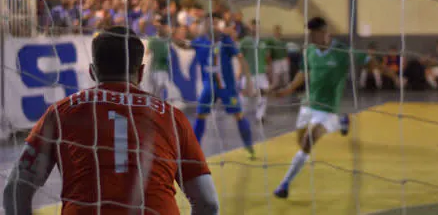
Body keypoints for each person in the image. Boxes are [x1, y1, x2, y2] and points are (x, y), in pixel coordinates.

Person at [3, 26, 219, 215]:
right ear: (141, 72)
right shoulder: (171, 116)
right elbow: (208, 203)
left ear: (92, 71)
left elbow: (13, 190)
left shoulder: (61, 112)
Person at [271, 17, 350, 198]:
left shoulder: (341, 51)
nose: (311, 37)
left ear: (324, 32)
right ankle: (340, 122)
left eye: (314, 33)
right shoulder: (309, 51)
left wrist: (393, 76)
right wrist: (287, 90)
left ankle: (284, 185)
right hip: (308, 104)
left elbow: (366, 58)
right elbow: (302, 73)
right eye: (310, 33)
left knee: (308, 141)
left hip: (327, 106)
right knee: (301, 143)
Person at [179, 14, 255, 159]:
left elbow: (241, 59)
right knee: (200, 115)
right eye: (209, 23)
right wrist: (171, 37)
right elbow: (184, 45)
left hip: (227, 88)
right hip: (209, 87)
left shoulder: (226, 41)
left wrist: (248, 81)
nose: (212, 26)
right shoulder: (199, 41)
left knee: (238, 115)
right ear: (204, 25)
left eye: (215, 23)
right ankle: (193, 152)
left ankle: (249, 145)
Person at [145, 24, 186, 109]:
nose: (168, 30)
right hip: (156, 69)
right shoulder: (153, 40)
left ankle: (158, 106)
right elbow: (147, 53)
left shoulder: (168, 40)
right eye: (166, 29)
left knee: (162, 88)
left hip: (164, 69)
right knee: (160, 88)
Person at [239, 19, 272, 122]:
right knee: (246, 95)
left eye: (256, 26)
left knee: (264, 93)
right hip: (248, 73)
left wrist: (268, 68)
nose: (255, 28)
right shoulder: (244, 41)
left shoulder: (263, 42)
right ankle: (241, 115)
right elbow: (240, 57)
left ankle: (260, 116)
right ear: (249, 27)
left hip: (261, 73)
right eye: (252, 26)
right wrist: (241, 71)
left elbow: (267, 56)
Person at [267, 25, 290, 89]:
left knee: (285, 73)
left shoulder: (283, 40)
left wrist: (287, 58)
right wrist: (269, 61)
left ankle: (286, 86)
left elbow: (286, 50)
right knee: (276, 74)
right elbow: (268, 52)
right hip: (276, 60)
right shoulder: (271, 41)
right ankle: (275, 87)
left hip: (283, 59)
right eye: (276, 30)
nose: (278, 32)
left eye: (279, 30)